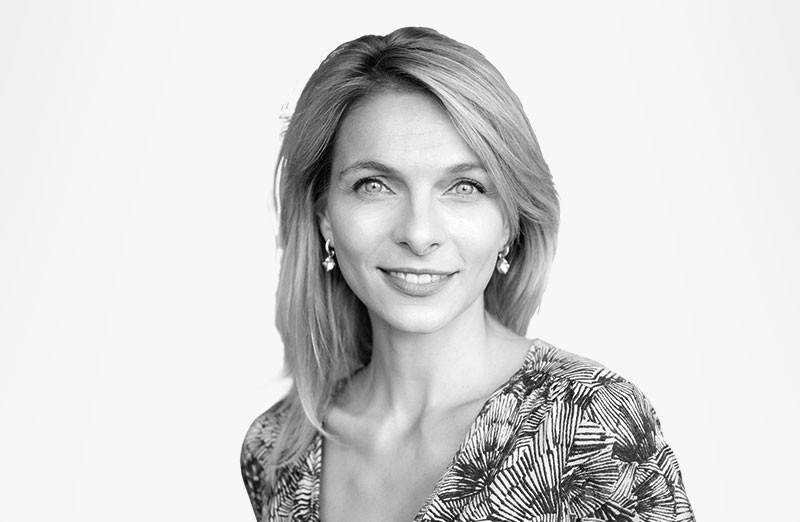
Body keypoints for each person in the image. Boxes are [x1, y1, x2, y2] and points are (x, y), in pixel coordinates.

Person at [241, 27, 694, 522]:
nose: (419, 234)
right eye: (374, 185)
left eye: (464, 187)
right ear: (325, 215)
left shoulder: (590, 427)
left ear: (510, 222)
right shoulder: (278, 448)